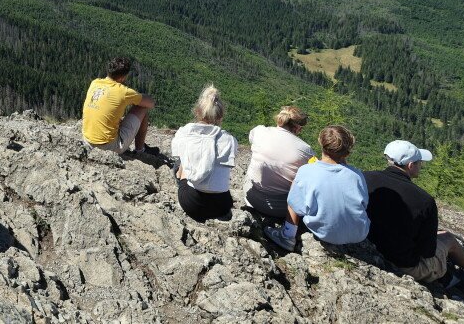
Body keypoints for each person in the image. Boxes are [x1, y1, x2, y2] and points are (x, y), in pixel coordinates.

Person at [365, 140, 464, 285]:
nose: (421, 166)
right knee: (448, 238)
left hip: (371, 250)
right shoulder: (424, 200)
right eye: (419, 162)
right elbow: (427, 252)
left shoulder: (365, 178)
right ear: (410, 165)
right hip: (404, 265)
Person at [264, 125, 369, 251]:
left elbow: (296, 204)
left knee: (295, 189)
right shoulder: (357, 175)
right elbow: (364, 203)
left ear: (321, 143)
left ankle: (287, 234)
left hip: (326, 233)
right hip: (359, 233)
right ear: (346, 152)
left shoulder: (307, 171)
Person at [170, 85, 237, 222]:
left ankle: (185, 182)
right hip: (222, 206)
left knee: (180, 163)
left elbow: (176, 152)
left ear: (197, 112)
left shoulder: (184, 133)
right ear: (220, 116)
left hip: (192, 204)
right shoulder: (230, 140)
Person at [244, 106, 315, 218]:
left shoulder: (259, 131)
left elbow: (251, 139)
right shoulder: (306, 150)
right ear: (297, 128)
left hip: (251, 197)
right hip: (280, 209)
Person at [81, 56, 158, 156]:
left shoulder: (95, 83)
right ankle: (140, 150)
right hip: (108, 147)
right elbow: (150, 103)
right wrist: (142, 97)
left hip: (87, 140)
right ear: (123, 77)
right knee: (142, 107)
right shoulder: (123, 91)